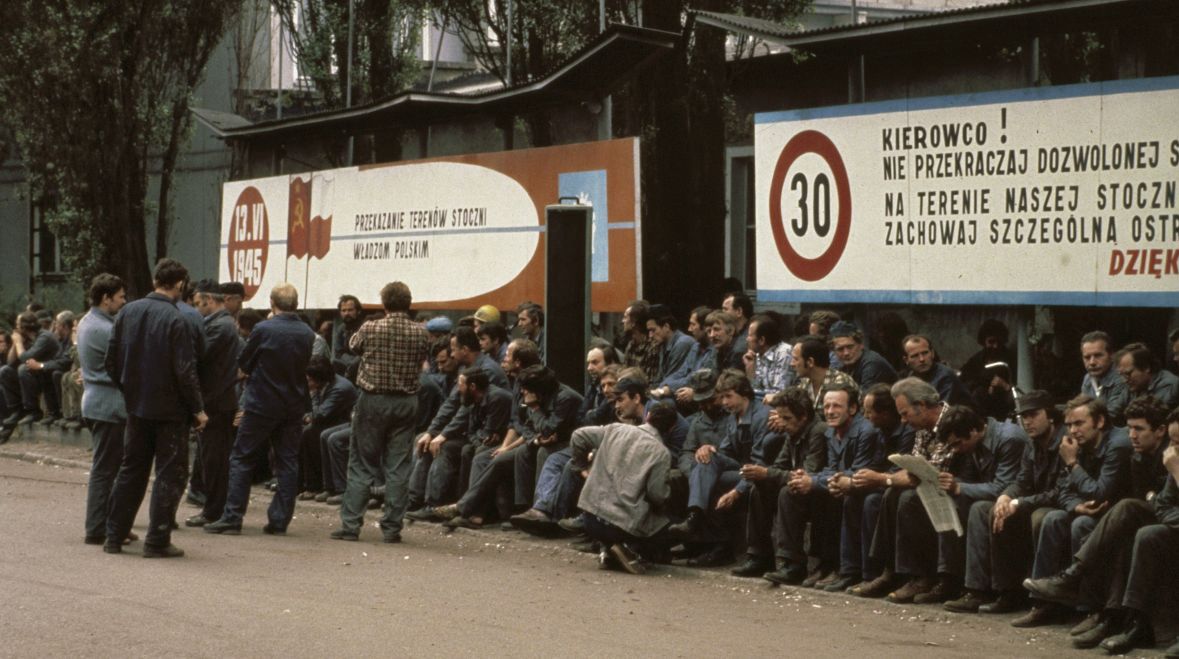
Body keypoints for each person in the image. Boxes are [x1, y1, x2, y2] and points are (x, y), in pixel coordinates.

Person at [1023, 406, 1179, 655]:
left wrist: (1174, 476)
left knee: (1130, 515)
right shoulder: (1142, 456)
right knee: (1131, 532)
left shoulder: (1167, 458)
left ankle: (1074, 578)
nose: (1132, 435)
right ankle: (1122, 620)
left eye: (1138, 429)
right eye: (1129, 428)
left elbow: (1113, 495)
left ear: (1158, 431)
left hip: (1162, 522)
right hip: (1155, 521)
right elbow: (1159, 504)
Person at [103, 258, 206, 558]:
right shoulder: (178, 320)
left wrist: (129, 389)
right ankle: (157, 538)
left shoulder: (128, 312)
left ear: (155, 281)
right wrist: (197, 409)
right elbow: (185, 370)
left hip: (137, 405)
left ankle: (115, 534)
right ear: (179, 285)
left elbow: (111, 361)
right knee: (170, 472)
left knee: (131, 469)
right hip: (170, 410)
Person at [203, 283, 316, 536]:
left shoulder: (263, 329)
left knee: (242, 457)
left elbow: (245, 361)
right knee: (287, 462)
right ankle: (279, 520)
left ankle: (232, 517)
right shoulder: (307, 332)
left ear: (272, 303)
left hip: (262, 401)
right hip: (293, 403)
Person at [323, 282, 429, 543]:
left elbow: (354, 346)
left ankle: (351, 524)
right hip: (406, 400)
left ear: (384, 304)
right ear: (409, 302)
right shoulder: (421, 333)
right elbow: (423, 357)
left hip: (373, 399)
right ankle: (392, 527)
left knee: (361, 463)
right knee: (398, 465)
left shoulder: (370, 327)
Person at [1014, 394, 1132, 627]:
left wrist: (1072, 463)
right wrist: (1075, 505)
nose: (1073, 430)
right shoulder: (1078, 443)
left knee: (1081, 525)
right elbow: (1063, 490)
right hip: (1090, 508)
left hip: (1117, 514)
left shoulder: (1117, 444)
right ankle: (1044, 602)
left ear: (1099, 422)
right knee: (1053, 518)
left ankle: (1088, 608)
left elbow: (1101, 492)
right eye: (1069, 424)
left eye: (1079, 423)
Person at [946, 390, 1065, 614]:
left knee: (1041, 518)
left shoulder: (1063, 441)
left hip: (1057, 503)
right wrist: (1006, 496)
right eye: (1024, 416)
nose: (1027, 421)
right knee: (992, 510)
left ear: (1050, 415)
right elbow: (1022, 480)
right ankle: (1004, 592)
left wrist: (1018, 502)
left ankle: (1042, 601)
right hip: (1036, 498)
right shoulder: (1032, 442)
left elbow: (1060, 491)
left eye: (1033, 415)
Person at [893, 405, 1026, 605]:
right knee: (942, 504)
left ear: (973, 431)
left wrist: (958, 488)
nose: (956, 450)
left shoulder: (1009, 439)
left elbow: (1004, 486)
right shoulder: (972, 443)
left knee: (977, 509)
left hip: (1013, 497)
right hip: (987, 493)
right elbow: (970, 479)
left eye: (957, 444)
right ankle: (946, 578)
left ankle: (977, 589)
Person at [764, 383, 881, 589]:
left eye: (837, 406)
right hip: (841, 484)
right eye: (826, 406)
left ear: (852, 409)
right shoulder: (831, 433)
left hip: (865, 487)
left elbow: (859, 471)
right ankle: (800, 564)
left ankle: (844, 568)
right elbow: (830, 469)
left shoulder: (865, 431)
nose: (830, 411)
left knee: (832, 497)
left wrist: (816, 481)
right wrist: (809, 477)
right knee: (793, 491)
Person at [571, 402, 681, 574]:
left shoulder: (615, 429)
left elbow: (578, 435)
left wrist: (582, 468)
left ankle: (607, 549)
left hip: (590, 516)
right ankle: (630, 548)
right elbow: (657, 495)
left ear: (648, 416)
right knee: (668, 523)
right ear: (672, 428)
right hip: (622, 527)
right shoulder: (661, 453)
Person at [731, 386, 826, 578]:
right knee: (760, 488)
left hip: (820, 490)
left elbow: (809, 474)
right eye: (780, 417)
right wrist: (763, 474)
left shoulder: (818, 432)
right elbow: (780, 465)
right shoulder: (793, 432)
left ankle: (793, 562)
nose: (781, 424)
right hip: (798, 483)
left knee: (788, 491)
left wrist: (767, 473)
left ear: (803, 417)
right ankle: (759, 555)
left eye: (787, 418)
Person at [184, 279, 243, 528]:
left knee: (214, 459)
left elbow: (197, 355)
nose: (196, 309)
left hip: (216, 401)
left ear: (209, 300)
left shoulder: (219, 326)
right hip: (218, 399)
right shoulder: (221, 324)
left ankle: (213, 510)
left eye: (198, 304)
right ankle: (213, 507)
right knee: (211, 457)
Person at [77, 274, 129, 546]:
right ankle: (98, 526)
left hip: (96, 401)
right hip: (109, 405)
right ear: (106, 298)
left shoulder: (88, 322)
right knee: (106, 469)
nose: (123, 301)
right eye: (120, 297)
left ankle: (107, 522)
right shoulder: (105, 329)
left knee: (108, 467)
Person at [296, 355, 357, 500]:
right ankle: (310, 484)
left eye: (310, 378)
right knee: (304, 431)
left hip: (345, 421)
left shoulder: (339, 388)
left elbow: (319, 414)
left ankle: (317, 485)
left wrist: (312, 397)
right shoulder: (325, 384)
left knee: (311, 433)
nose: (307, 381)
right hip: (333, 420)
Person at [0, 310, 62, 430]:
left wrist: (18, 343)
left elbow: (25, 358)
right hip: (37, 374)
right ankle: (17, 410)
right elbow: (11, 362)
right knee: (5, 371)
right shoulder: (26, 338)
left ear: (25, 326)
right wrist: (14, 344)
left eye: (18, 325)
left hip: (49, 371)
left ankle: (33, 411)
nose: (16, 328)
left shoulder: (44, 337)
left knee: (23, 369)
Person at [959, 319, 1018, 421]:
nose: (995, 346)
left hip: (1003, 408)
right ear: (983, 341)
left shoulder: (1010, 359)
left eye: (998, 342)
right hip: (981, 409)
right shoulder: (978, 359)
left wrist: (1004, 385)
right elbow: (963, 378)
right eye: (991, 342)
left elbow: (1018, 391)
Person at [900, 334, 973, 408]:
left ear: (932, 353)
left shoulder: (945, 376)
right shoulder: (910, 379)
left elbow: (941, 411)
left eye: (925, 353)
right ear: (906, 360)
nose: (922, 359)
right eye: (915, 356)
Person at [792, 335, 858, 415]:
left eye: (796, 359)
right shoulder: (805, 384)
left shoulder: (840, 383)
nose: (792, 364)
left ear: (810, 362)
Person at [1080, 331, 1128, 426]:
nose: (1092, 362)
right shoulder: (1088, 378)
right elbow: (1082, 408)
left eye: (1098, 355)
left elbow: (1110, 415)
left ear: (1111, 355)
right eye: (1087, 357)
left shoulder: (1121, 378)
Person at [830, 320, 896, 389]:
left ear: (861, 344)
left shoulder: (872, 363)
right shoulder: (845, 367)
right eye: (840, 349)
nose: (846, 353)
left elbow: (864, 396)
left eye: (850, 347)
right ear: (834, 351)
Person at [744, 313, 794, 400]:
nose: (747, 339)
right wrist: (750, 371)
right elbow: (754, 390)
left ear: (761, 340)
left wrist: (754, 392)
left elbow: (780, 393)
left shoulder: (784, 352)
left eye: (750, 335)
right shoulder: (758, 354)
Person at [646, 304, 695, 391]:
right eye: (649, 331)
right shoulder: (663, 344)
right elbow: (660, 378)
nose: (650, 335)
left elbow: (670, 380)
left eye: (653, 330)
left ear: (666, 327)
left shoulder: (683, 343)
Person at [1117, 342, 1179, 410]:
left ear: (1146, 367)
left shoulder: (1170, 386)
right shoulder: (1131, 385)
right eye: (1122, 375)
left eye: (1128, 374)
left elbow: (1154, 416)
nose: (1124, 380)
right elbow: (1114, 412)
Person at [332, 294, 364, 378]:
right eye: (343, 310)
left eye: (350, 310)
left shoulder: (365, 328)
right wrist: (350, 362)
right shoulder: (341, 329)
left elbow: (365, 353)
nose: (346, 313)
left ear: (358, 311)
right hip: (345, 369)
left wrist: (354, 363)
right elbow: (338, 353)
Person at [721, 292, 753, 356]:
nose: (721, 313)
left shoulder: (747, 339)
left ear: (739, 311)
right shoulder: (731, 334)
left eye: (725, 309)